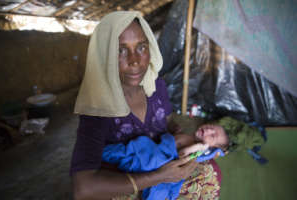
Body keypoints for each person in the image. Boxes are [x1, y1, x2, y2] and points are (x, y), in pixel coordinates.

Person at [70, 11, 221, 200]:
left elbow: (165, 123)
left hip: (161, 163)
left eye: (141, 47)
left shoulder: (156, 86)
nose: (135, 60)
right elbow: (83, 188)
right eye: (121, 50)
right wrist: (159, 177)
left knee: (210, 173)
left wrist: (177, 135)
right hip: (127, 180)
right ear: (103, 55)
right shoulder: (97, 106)